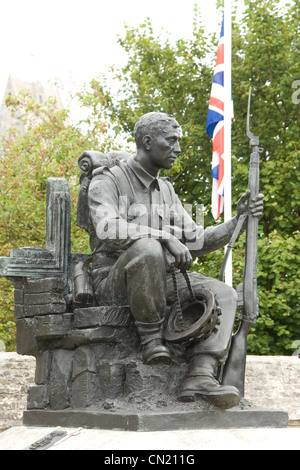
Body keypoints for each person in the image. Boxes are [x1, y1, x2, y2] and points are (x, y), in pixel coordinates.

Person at [87, 112, 263, 409]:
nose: (178, 149)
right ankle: (151, 341)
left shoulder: (166, 190)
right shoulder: (108, 181)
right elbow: (108, 228)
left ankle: (201, 374)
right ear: (147, 142)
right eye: (171, 141)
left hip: (162, 280)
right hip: (116, 282)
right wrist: (161, 236)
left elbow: (197, 239)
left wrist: (239, 220)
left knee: (224, 293)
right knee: (147, 248)